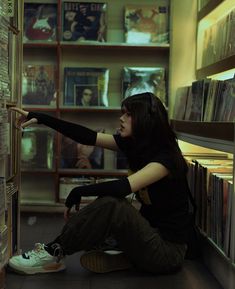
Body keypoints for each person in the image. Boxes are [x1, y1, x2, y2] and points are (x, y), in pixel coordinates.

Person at [8, 92, 191, 275]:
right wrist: (42, 118)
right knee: (104, 217)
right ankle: (123, 254)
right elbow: (86, 136)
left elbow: (121, 188)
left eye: (128, 114)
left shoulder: (167, 159)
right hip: (150, 235)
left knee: (114, 205)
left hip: (167, 253)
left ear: (145, 119)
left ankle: (54, 252)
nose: (121, 118)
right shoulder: (137, 145)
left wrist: (79, 190)